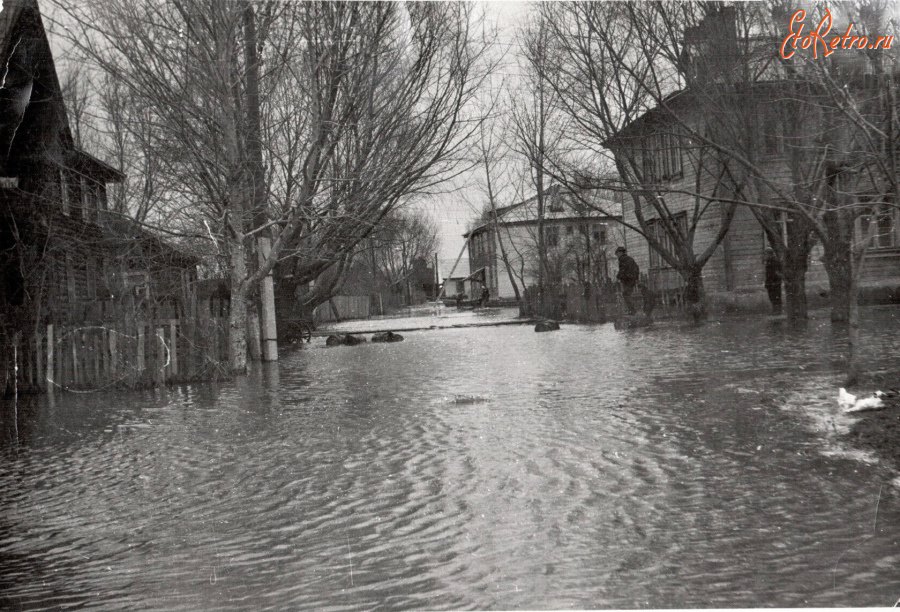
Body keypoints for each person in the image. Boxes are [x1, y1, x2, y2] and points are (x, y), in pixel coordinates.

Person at [615, 246, 640, 315]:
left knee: (626, 294)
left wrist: (617, 278)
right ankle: (632, 311)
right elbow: (637, 268)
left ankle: (632, 311)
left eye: (617, 253)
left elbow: (622, 271)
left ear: (620, 252)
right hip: (632, 280)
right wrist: (635, 278)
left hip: (628, 280)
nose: (617, 255)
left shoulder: (622, 259)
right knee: (628, 294)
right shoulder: (630, 259)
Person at [764, 247, 782, 315]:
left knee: (776, 297)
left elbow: (777, 272)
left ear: (769, 254)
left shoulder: (775, 261)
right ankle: (775, 310)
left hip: (775, 282)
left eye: (766, 254)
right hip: (770, 282)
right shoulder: (769, 261)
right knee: (772, 297)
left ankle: (778, 311)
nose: (765, 256)